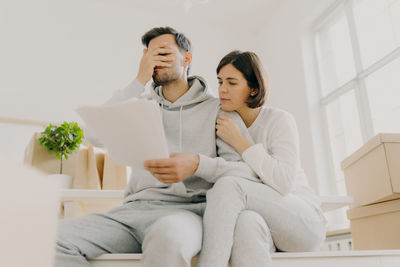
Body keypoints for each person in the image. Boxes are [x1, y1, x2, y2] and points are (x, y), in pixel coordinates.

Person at [55, 27, 256, 267]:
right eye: (149, 55)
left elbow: (242, 171)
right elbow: (93, 134)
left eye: (163, 54)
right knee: (48, 239)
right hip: (131, 212)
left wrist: (196, 165)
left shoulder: (219, 110)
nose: (155, 62)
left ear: (187, 58)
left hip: (187, 212)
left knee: (168, 238)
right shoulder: (139, 103)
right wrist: (138, 80)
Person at [197, 51, 327, 267]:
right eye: (219, 81)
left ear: (253, 89)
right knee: (245, 222)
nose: (222, 89)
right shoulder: (226, 122)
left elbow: (284, 182)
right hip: (264, 224)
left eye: (232, 82)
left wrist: (240, 142)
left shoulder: (279, 119)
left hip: (305, 223)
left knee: (230, 186)